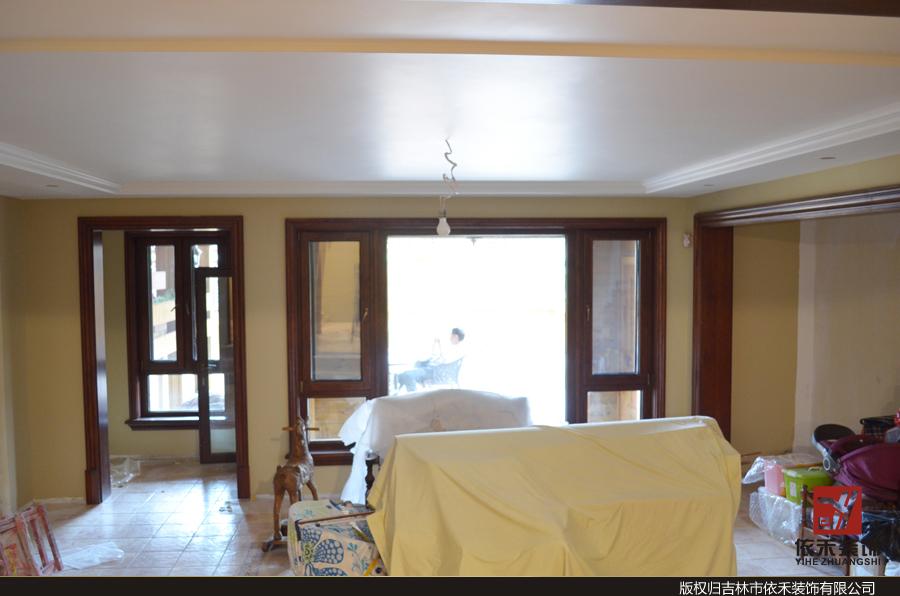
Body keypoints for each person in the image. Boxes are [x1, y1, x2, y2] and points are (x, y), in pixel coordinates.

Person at [396, 328, 466, 393]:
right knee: (402, 376)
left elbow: (444, 360)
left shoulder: (457, 350)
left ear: (455, 336)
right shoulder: (453, 347)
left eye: (451, 335)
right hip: (433, 369)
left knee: (408, 375)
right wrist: (435, 344)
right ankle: (399, 395)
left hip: (435, 372)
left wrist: (440, 345)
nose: (449, 337)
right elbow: (434, 354)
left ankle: (413, 398)